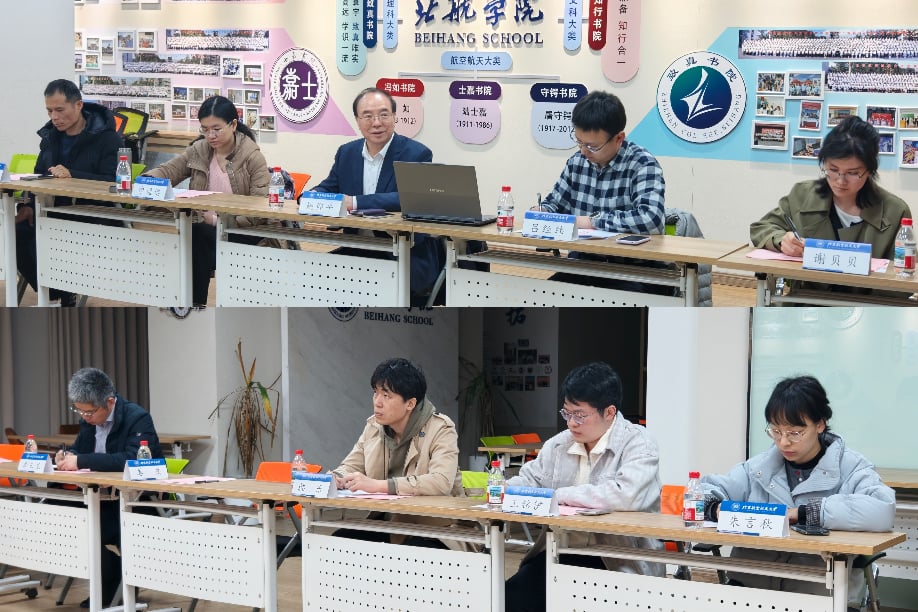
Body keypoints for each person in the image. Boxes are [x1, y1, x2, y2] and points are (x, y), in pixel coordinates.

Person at [700, 375, 895, 605]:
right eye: (776, 431)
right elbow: (704, 492)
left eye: (794, 433)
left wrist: (806, 513)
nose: (783, 442)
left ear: (820, 424)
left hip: (820, 593)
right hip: (752, 587)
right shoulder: (759, 468)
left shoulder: (851, 467)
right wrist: (715, 507)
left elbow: (882, 509)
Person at [504, 362, 664, 612]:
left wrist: (559, 496)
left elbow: (625, 494)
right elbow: (530, 479)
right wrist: (506, 489)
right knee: (512, 597)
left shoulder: (639, 444)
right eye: (567, 413)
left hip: (616, 558)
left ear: (609, 412)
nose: (571, 423)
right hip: (560, 551)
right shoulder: (558, 445)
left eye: (580, 415)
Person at [309, 87, 445, 302]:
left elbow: (410, 197)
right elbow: (330, 186)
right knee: (314, 275)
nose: (377, 123)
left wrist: (355, 202)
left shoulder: (416, 153)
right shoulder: (347, 152)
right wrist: (311, 196)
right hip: (358, 247)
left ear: (394, 117)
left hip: (404, 254)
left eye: (384, 115)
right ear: (357, 120)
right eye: (368, 116)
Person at [539, 91, 669, 295]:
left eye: (592, 146)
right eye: (579, 142)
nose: (584, 151)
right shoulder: (577, 163)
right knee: (542, 295)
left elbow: (650, 219)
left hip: (634, 270)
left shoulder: (642, 164)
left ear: (618, 138)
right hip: (583, 264)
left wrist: (593, 222)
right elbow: (554, 204)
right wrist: (541, 211)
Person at [146, 95, 270, 306]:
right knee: (195, 236)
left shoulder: (252, 157)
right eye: (205, 129)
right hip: (204, 232)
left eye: (216, 129)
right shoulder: (199, 150)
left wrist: (216, 221)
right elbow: (169, 170)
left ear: (233, 125)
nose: (210, 136)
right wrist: (147, 180)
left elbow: (259, 209)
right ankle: (191, 304)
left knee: (195, 239)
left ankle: (192, 306)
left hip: (243, 231)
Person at [55, 367, 162, 608]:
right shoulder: (89, 421)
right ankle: (111, 578)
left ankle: (114, 581)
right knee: (59, 516)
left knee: (84, 524)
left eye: (89, 412)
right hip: (100, 498)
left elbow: (131, 459)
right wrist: (65, 456)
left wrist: (81, 461)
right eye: (79, 411)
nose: (85, 417)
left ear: (110, 401)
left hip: (135, 502)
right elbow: (79, 450)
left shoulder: (137, 418)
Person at [331, 357, 465, 547]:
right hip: (390, 525)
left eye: (386, 396)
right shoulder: (373, 427)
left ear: (410, 403)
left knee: (415, 551)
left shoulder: (441, 428)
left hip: (438, 528)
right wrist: (336, 477)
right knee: (339, 541)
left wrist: (379, 485)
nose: (377, 402)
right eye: (375, 393)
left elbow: (441, 481)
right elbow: (352, 465)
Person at [15, 79, 122, 306]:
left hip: (92, 214)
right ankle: (55, 294)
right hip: (50, 211)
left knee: (52, 234)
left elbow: (113, 181)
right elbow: (39, 175)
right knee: (16, 232)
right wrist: (27, 205)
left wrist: (73, 174)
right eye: (49, 111)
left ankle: (62, 293)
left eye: (60, 110)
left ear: (78, 105)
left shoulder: (107, 138)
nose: (54, 117)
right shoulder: (50, 136)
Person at [750, 116, 911, 260]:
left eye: (852, 173)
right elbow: (761, 228)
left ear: (869, 171)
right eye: (833, 170)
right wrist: (782, 241)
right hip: (805, 286)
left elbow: (902, 269)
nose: (841, 181)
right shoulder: (803, 194)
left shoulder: (895, 211)